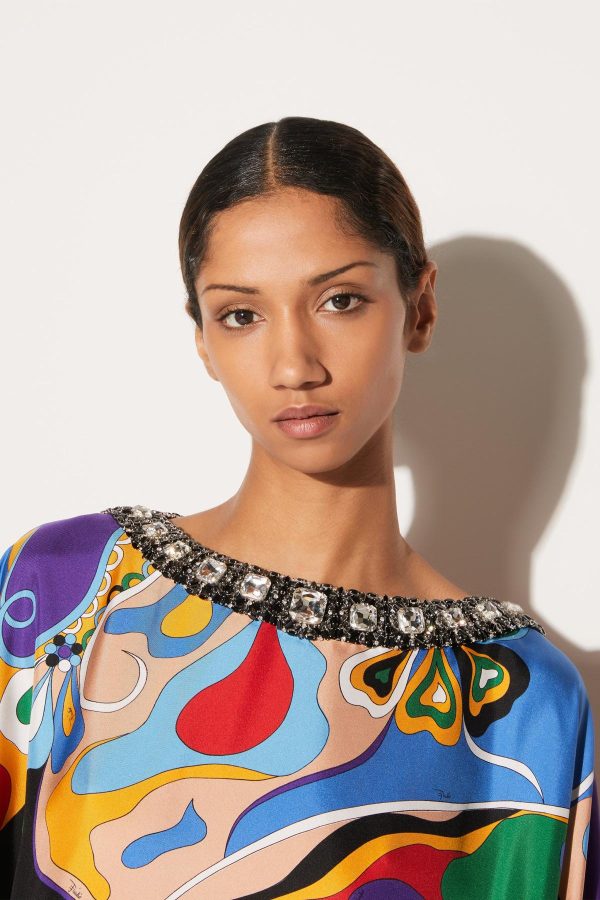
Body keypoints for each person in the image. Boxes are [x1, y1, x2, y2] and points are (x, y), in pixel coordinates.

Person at [0, 116, 597, 900]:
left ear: (420, 307)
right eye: (241, 315)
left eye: (340, 300)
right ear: (203, 340)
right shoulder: (67, 592)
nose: (294, 366)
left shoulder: (522, 704)